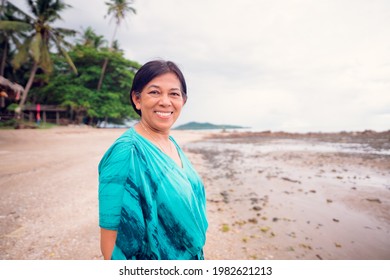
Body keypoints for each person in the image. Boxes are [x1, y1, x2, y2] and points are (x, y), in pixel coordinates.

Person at [98, 60, 208, 260]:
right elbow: (112, 246)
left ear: (183, 100)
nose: (165, 101)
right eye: (155, 92)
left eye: (174, 94)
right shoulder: (127, 152)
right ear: (137, 99)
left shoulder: (171, 143)